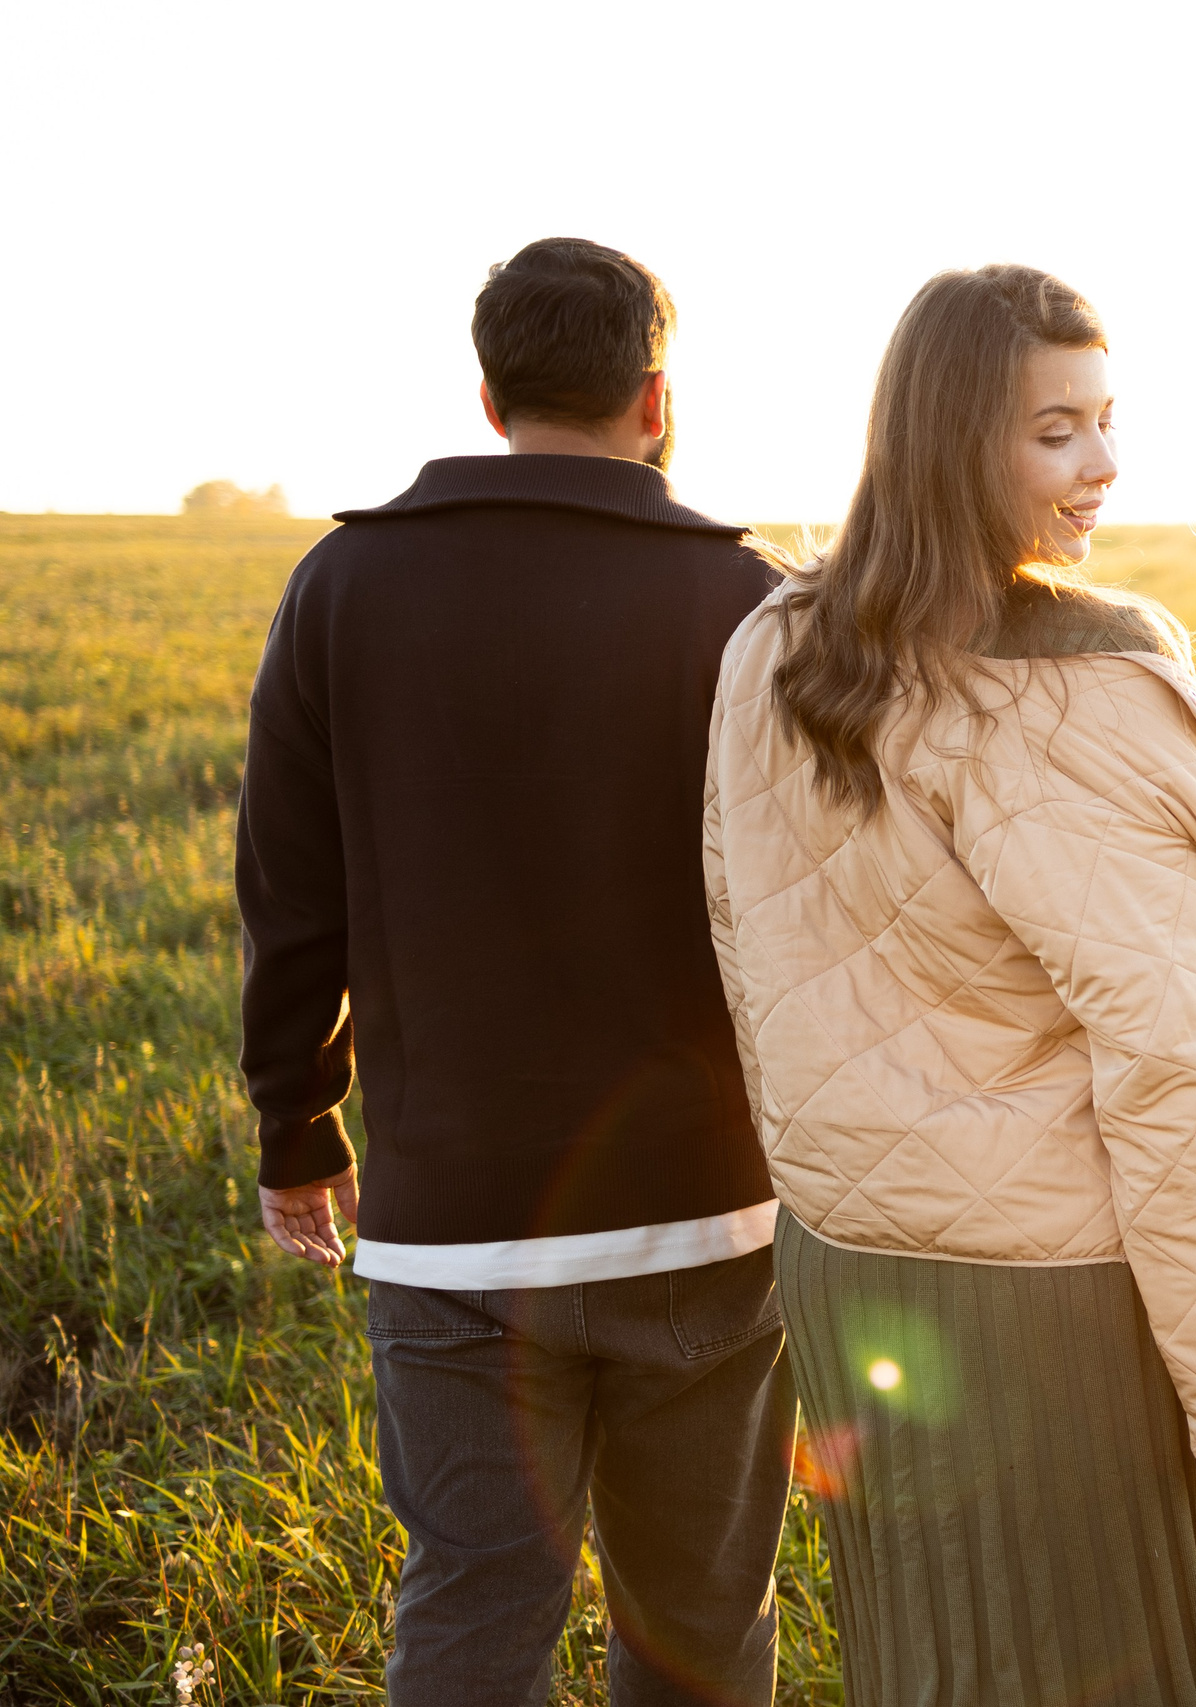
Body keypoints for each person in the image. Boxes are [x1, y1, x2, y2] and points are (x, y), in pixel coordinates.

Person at [705, 264, 1196, 1706]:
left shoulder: (769, 651)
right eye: (1057, 431)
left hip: (855, 1271)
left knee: (934, 1663)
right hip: (1061, 1316)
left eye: (1107, 421)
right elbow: (1183, 1067)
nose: (1103, 466)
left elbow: (748, 946)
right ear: (952, 438)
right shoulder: (1071, 698)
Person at [237, 237, 794, 1705]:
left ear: (487, 397)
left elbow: (291, 899)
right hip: (710, 1218)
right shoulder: (749, 604)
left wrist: (299, 1126)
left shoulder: (341, 585)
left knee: (473, 1617)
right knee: (701, 1625)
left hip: (450, 1237)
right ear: (656, 399)